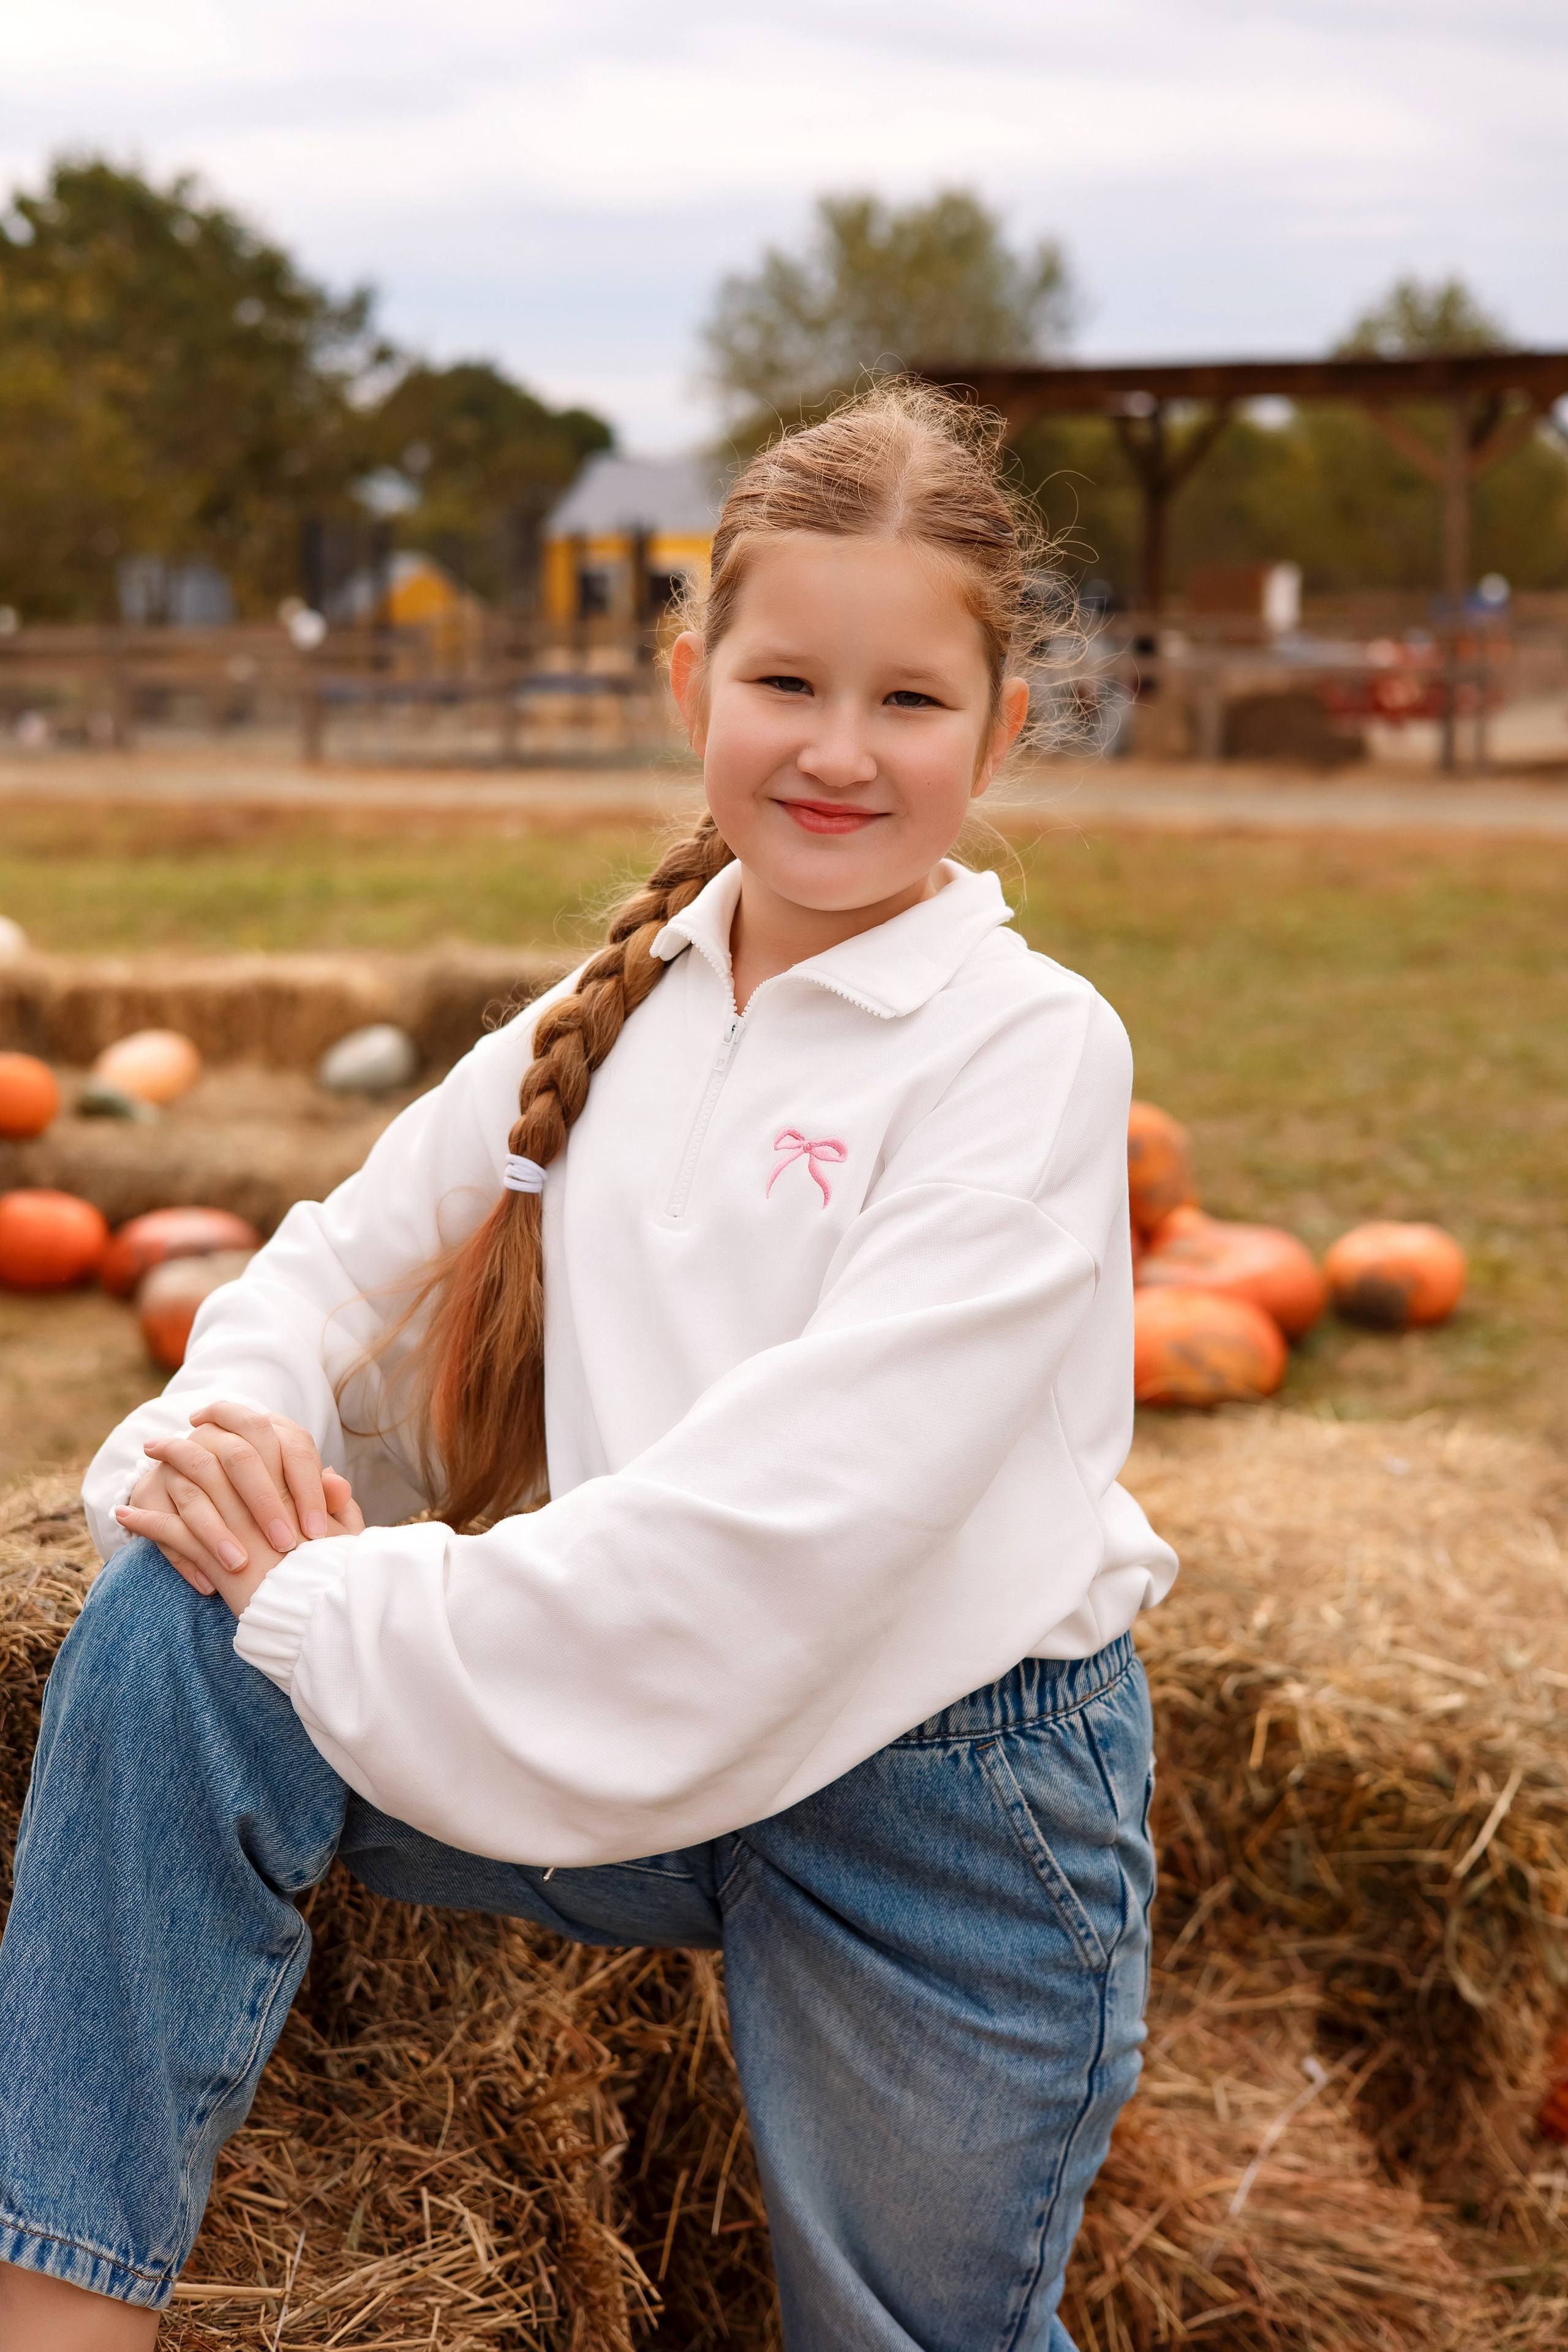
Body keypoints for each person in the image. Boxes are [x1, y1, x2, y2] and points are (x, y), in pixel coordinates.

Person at [0, 382, 1177, 2351]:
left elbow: (788, 1524)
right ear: (690, 682)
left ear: (1003, 733)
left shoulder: (1027, 1049)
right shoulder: (618, 1005)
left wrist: (334, 1591)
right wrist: (232, 1447)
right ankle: (59, 2313)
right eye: (786, 682)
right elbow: (328, 1263)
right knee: (173, 1628)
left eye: (908, 701)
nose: (837, 750)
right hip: (633, 1702)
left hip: (933, 1792)